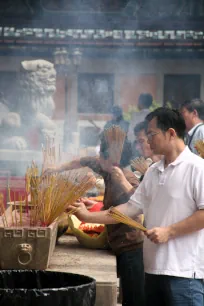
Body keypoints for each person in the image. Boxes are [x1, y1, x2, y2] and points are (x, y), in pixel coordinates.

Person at [69, 107, 204, 306]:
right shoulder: (153, 172)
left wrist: (170, 231)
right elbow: (128, 209)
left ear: (171, 133)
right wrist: (87, 216)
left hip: (183, 275)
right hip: (151, 270)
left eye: (151, 134)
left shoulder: (197, 168)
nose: (147, 140)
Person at [46, 134, 145, 306]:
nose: (98, 159)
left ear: (113, 158)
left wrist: (86, 215)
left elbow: (132, 208)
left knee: (133, 299)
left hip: (131, 248)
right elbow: (83, 161)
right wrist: (57, 169)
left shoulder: (127, 178)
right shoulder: (106, 169)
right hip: (116, 243)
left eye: (101, 155)